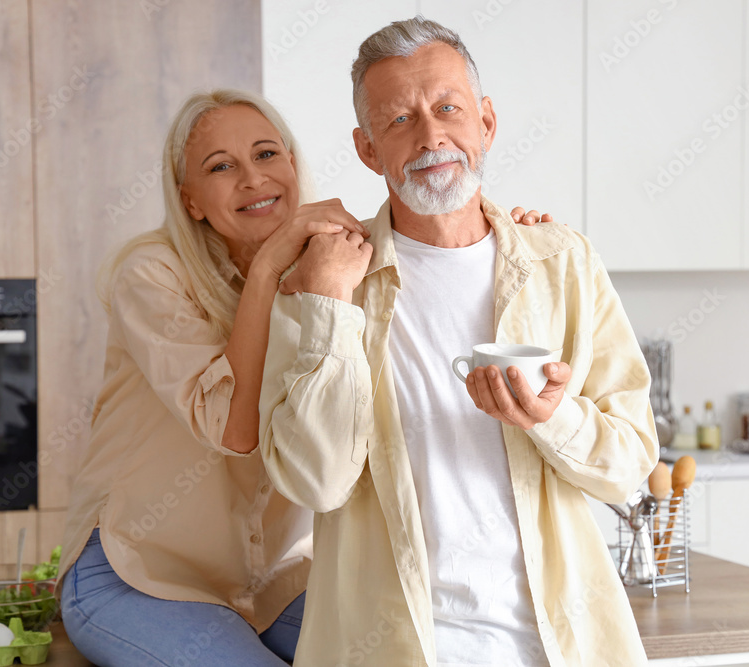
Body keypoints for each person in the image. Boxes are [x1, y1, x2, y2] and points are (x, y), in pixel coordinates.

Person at [57, 87, 552, 667]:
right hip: (140, 575)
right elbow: (234, 430)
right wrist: (269, 266)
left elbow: (437, 280)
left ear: (292, 164)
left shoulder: (330, 264)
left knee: (403, 652)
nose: (252, 178)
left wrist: (505, 237)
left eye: (267, 154)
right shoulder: (151, 275)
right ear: (190, 200)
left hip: (275, 582)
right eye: (221, 167)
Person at [259, 17, 659, 667]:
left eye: (448, 108)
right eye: (399, 121)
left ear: (487, 123)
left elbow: (629, 466)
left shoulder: (562, 263)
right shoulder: (322, 281)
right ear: (367, 150)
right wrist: (329, 308)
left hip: (557, 648)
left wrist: (552, 416)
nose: (431, 136)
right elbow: (318, 480)